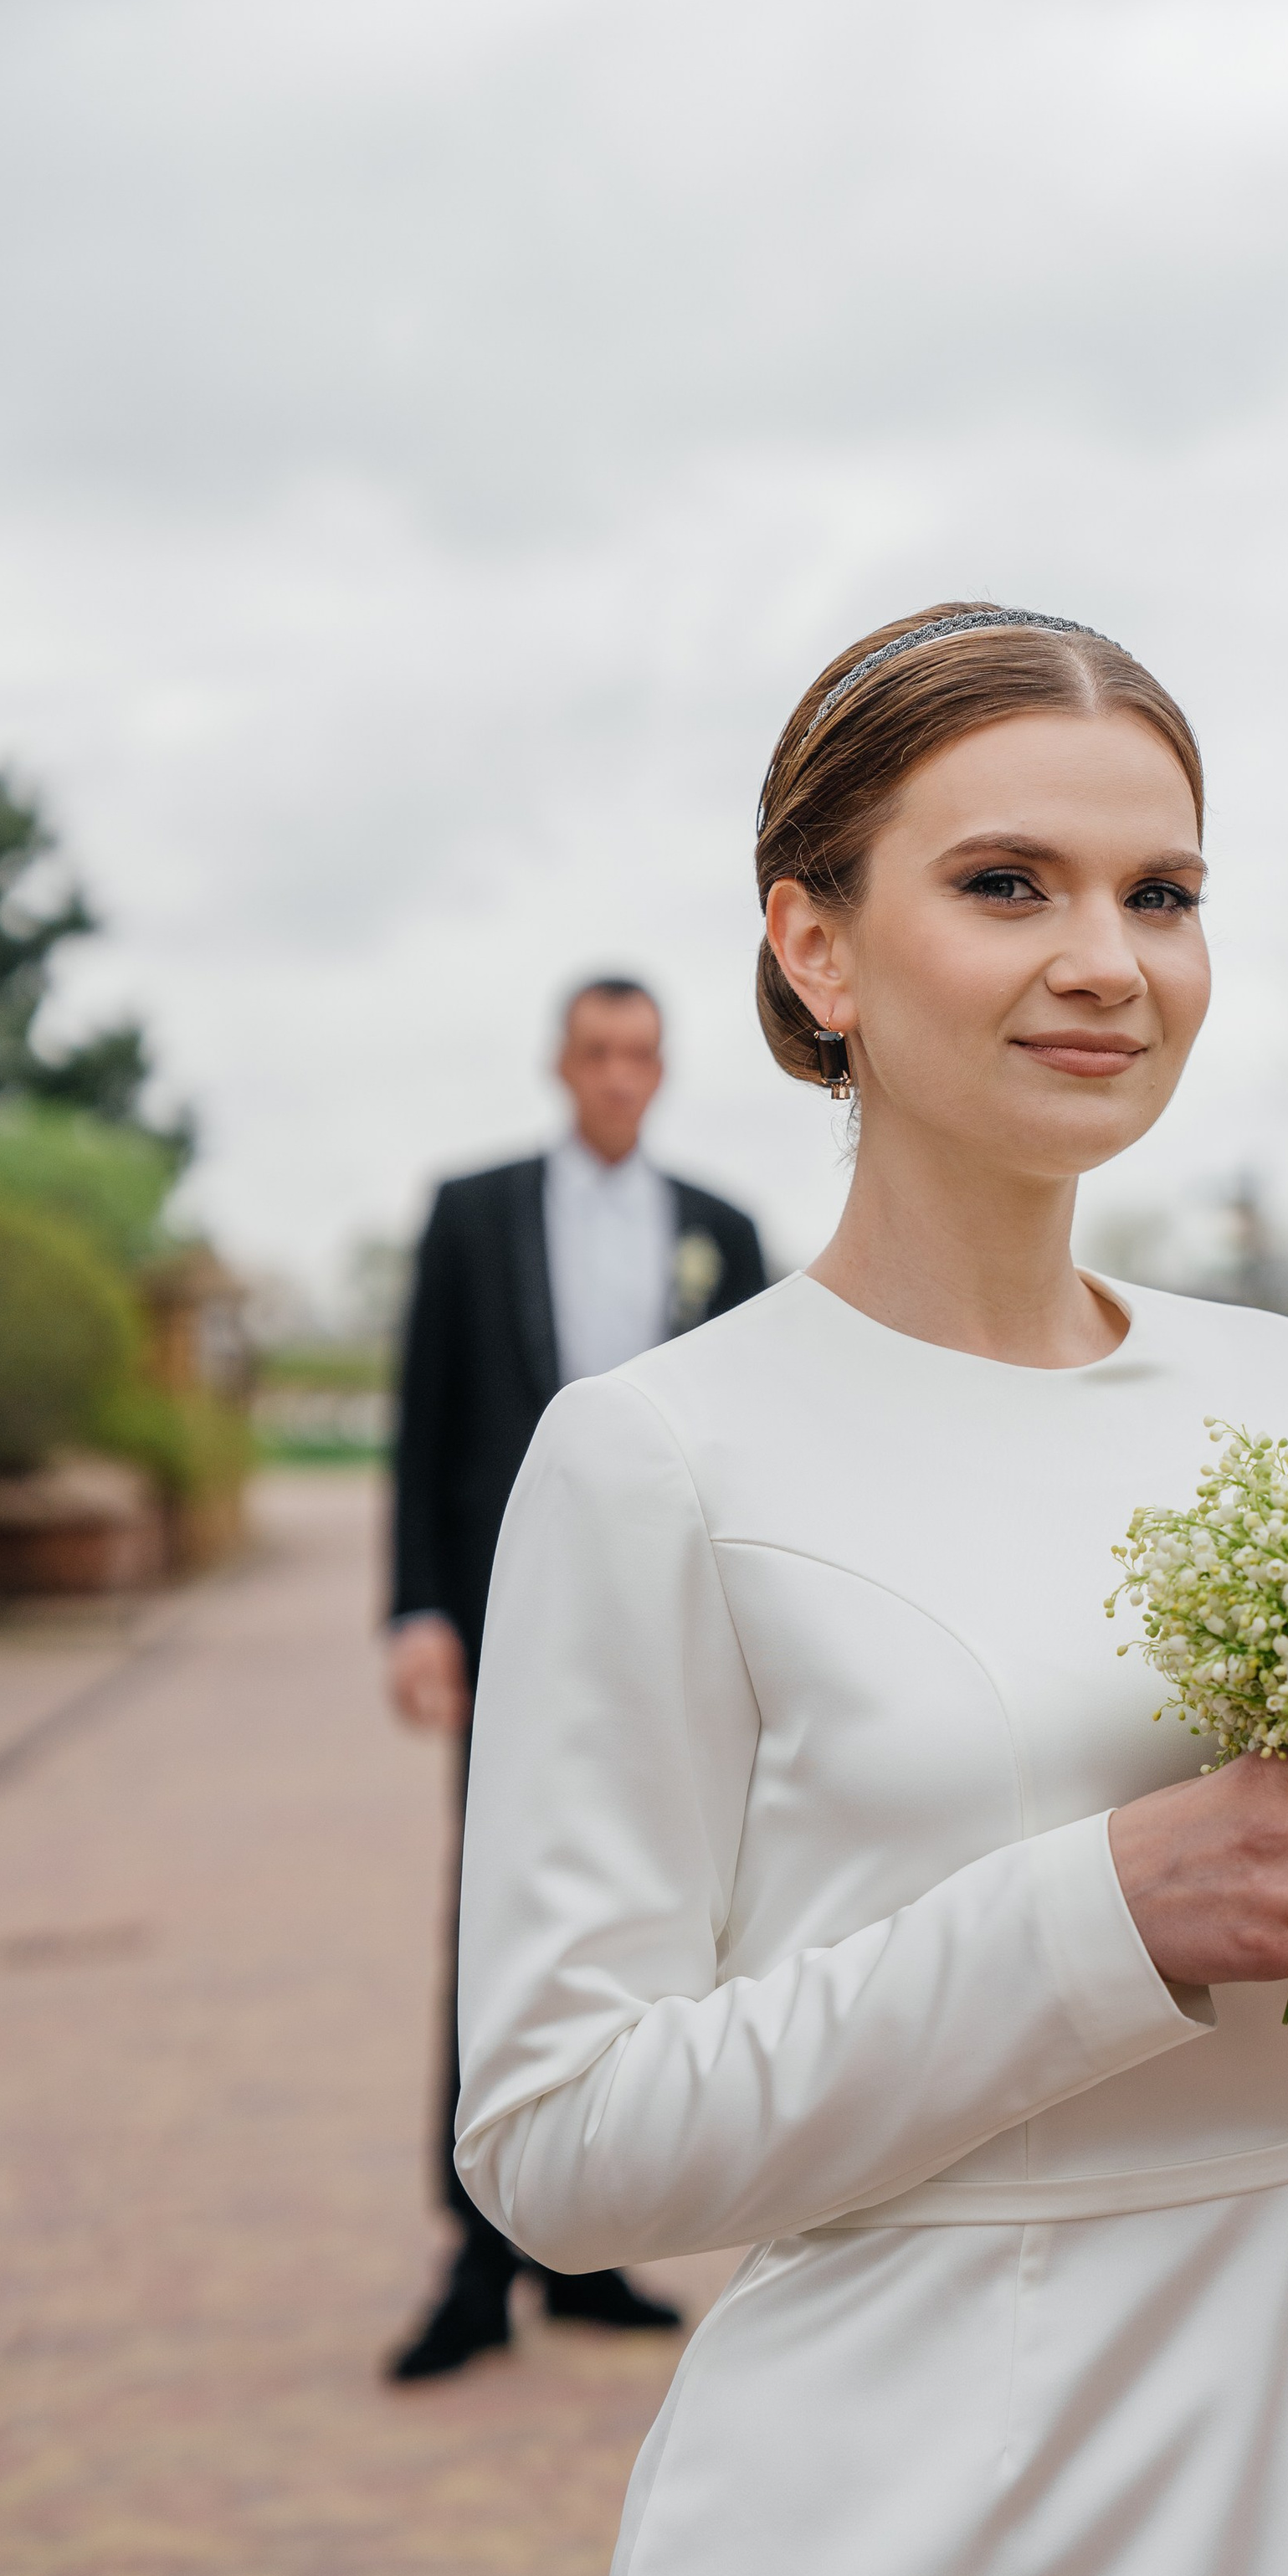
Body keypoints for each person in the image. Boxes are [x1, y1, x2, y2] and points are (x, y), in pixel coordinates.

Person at [454, 609, 1288, 2576]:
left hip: (1275, 2523)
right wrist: (1118, 1909)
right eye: (1008, 882)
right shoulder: (658, 1451)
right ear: (813, 943)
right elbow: (557, 2146)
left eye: (1165, 890)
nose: (1109, 958)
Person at [385, 972, 767, 2382]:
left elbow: (760, 1434)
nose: (619, 1074)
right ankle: (475, 2255)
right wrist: (416, 1607)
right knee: (498, 1907)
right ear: (562, 1063)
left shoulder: (718, 1230)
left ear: (662, 1071)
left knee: (660, 1909)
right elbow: (422, 1421)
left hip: (670, 1630)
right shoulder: (471, 1212)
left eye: (642, 1054)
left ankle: (590, 2238)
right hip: (503, 1622)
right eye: (598, 1051)